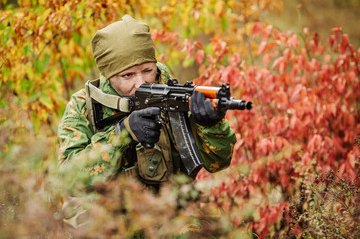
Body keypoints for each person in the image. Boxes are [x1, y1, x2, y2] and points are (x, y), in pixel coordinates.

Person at [57, 15, 236, 189]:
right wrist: (122, 134)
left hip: (174, 210)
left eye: (147, 70)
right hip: (109, 216)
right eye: (128, 75)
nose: (141, 83)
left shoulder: (170, 93)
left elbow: (218, 164)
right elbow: (68, 179)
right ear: (108, 76)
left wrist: (211, 126)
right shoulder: (83, 107)